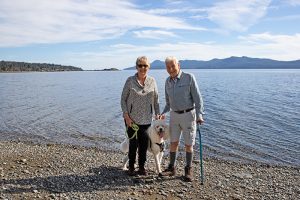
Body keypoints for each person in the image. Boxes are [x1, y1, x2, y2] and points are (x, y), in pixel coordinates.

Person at [160, 56, 204, 182]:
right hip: (174, 116)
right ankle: (171, 168)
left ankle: (188, 169)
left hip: (188, 115)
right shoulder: (167, 82)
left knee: (188, 144)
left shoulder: (189, 77)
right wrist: (163, 113)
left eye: (173, 66)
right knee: (173, 143)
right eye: (168, 67)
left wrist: (199, 115)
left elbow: (198, 99)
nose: (171, 69)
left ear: (178, 65)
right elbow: (168, 103)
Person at [121, 56, 160, 176]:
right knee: (133, 144)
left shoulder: (152, 81)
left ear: (148, 67)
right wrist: (126, 116)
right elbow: (123, 99)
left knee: (143, 145)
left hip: (147, 120)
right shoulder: (130, 80)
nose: (142, 68)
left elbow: (156, 100)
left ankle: (142, 167)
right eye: (140, 65)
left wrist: (157, 114)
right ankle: (131, 166)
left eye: (145, 65)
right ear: (136, 66)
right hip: (131, 119)